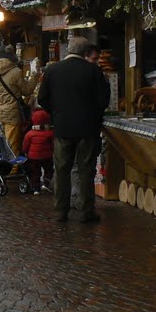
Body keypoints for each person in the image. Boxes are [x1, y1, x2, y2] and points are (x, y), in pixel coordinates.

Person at [38, 36, 110, 223]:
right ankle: (87, 211)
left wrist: (56, 113)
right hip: (88, 128)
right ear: (86, 52)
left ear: (68, 50)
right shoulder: (94, 71)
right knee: (86, 170)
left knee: (62, 170)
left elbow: (42, 99)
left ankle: (61, 210)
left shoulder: (52, 70)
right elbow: (104, 100)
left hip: (62, 128)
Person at [0, 45, 37, 162]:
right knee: (12, 145)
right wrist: (35, 77)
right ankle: (12, 171)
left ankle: (2, 167)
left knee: (0, 142)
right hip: (13, 114)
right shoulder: (16, 72)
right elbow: (27, 91)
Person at [22, 109, 55, 193]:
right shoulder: (50, 133)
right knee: (49, 170)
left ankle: (36, 189)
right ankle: (46, 182)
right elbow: (53, 145)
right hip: (47, 157)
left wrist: (25, 152)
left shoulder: (29, 134)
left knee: (35, 173)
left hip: (33, 157)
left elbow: (25, 146)